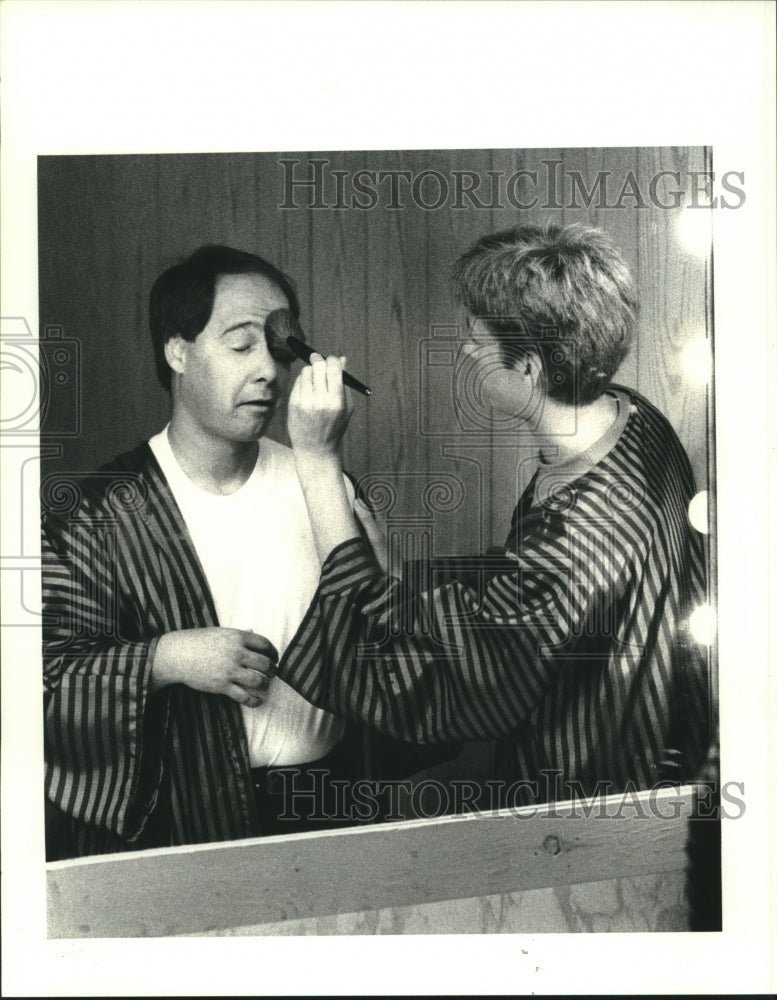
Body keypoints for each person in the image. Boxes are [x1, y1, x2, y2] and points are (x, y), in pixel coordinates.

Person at [278, 223, 714, 809]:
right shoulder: (634, 417)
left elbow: (419, 679)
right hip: (665, 753)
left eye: (478, 343)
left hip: (593, 803)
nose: (465, 350)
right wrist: (405, 577)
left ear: (528, 368)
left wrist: (315, 456)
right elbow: (523, 587)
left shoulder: (580, 539)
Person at [42, 244, 440, 859]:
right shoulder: (94, 513)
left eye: (278, 347)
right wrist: (166, 658)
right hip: (183, 824)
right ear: (178, 350)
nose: (269, 371)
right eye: (240, 344)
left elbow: (390, 660)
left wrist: (393, 596)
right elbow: (41, 678)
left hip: (331, 810)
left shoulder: (326, 485)